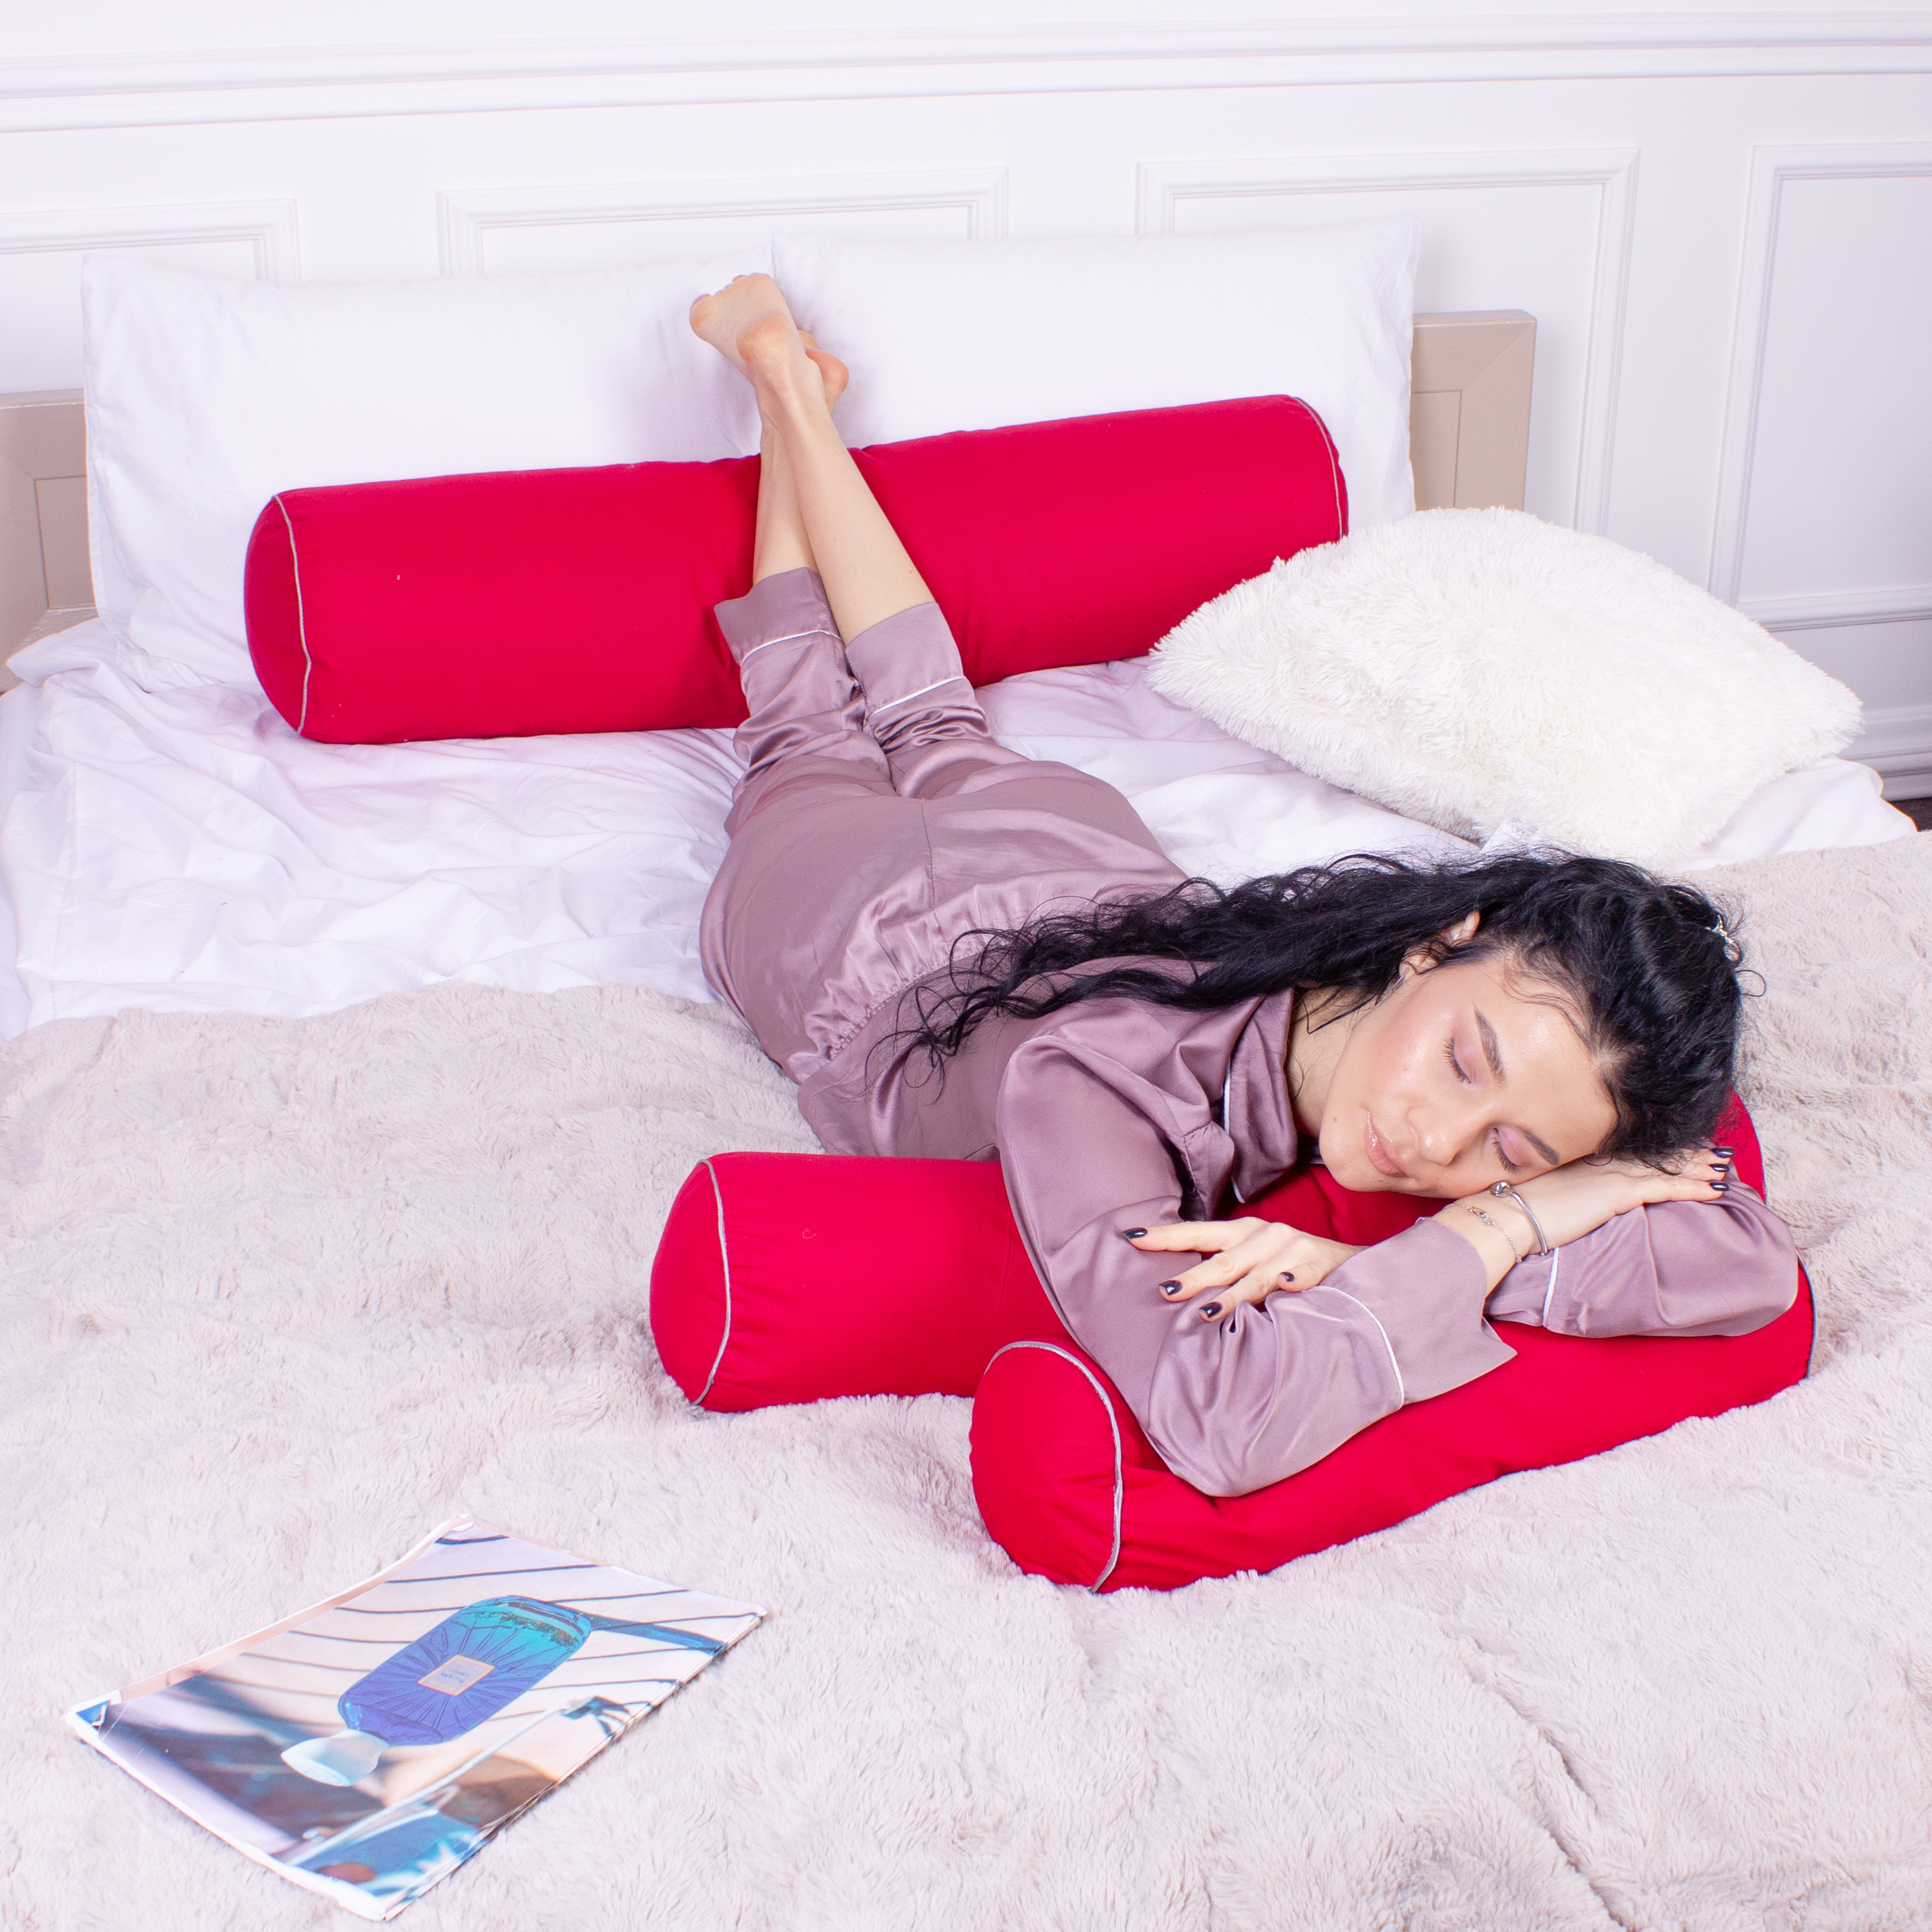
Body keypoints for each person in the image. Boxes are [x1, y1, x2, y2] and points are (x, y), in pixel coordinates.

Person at [687, 273, 1798, 1499]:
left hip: (1081, 876)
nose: (1434, 1141)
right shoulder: (1093, 1082)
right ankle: (785, 388)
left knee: (936, 720)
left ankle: (787, 386)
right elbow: (1221, 1419)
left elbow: (1749, 1265)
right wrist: (1489, 1227)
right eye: (1461, 1061)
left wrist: (1470, 1226)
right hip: (853, 923)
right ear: (1439, 941)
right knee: (809, 738)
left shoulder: (1404, 1027)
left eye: (1513, 1149)